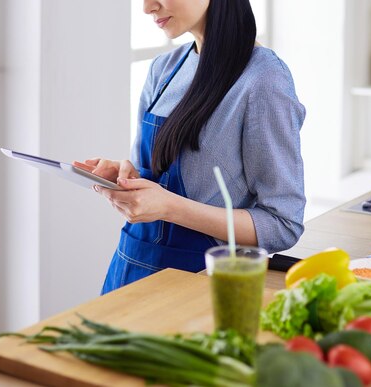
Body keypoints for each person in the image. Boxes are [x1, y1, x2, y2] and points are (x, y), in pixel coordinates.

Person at [74, 0, 306, 294]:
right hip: (130, 268)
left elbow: (282, 224)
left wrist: (169, 207)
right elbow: (152, 183)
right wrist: (124, 179)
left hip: (203, 285)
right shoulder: (164, 69)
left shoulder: (263, 80)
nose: (148, 7)